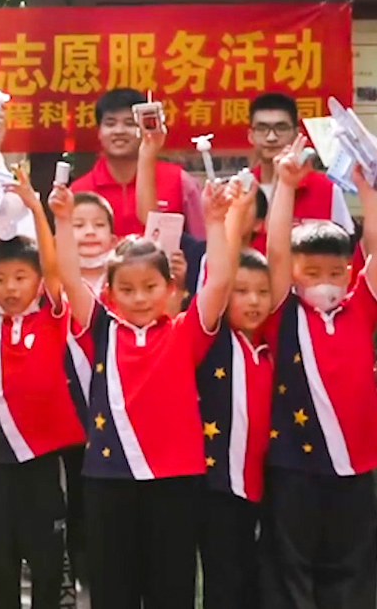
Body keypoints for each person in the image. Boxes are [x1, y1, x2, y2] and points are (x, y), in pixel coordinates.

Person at [52, 172, 236, 609]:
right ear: (110, 293)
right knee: (112, 588)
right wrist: (61, 220)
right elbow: (69, 278)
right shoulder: (100, 328)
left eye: (150, 287)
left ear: (170, 288)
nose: (139, 298)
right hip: (109, 478)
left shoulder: (185, 331)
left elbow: (219, 283)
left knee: (170, 588)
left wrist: (215, 222)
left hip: (175, 480)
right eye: (127, 289)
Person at [0, 168, 85, 609]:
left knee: (48, 560)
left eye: (21, 277)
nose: (10, 287)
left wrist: (34, 207)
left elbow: (54, 264)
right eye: (1, 279)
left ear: (38, 281)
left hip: (43, 461)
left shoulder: (52, 315)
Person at [260, 135, 377, 609]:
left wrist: (367, 191)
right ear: (294, 274)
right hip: (295, 464)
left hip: (358, 466)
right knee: (291, 567)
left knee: (353, 566)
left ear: (349, 272)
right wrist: (285, 185)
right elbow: (275, 252)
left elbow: (374, 249)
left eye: (336, 273)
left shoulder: (360, 309)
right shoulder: (284, 311)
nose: (326, 283)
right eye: (312, 273)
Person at [194, 184, 273, 609]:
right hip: (216, 487)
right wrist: (232, 216)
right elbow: (217, 271)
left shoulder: (269, 350)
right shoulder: (214, 339)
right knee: (222, 583)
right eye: (241, 292)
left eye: (262, 292)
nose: (254, 301)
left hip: (258, 486)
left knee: (250, 580)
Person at [70, 87, 204, 238]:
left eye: (130, 123)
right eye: (110, 123)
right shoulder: (79, 191)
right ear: (99, 132)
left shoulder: (180, 181)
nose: (119, 131)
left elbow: (204, 243)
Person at [245, 93, 353, 251]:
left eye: (281, 128)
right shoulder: (241, 190)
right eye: (262, 128)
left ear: (297, 133)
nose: (271, 137)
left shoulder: (327, 189)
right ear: (251, 136)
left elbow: (345, 250)